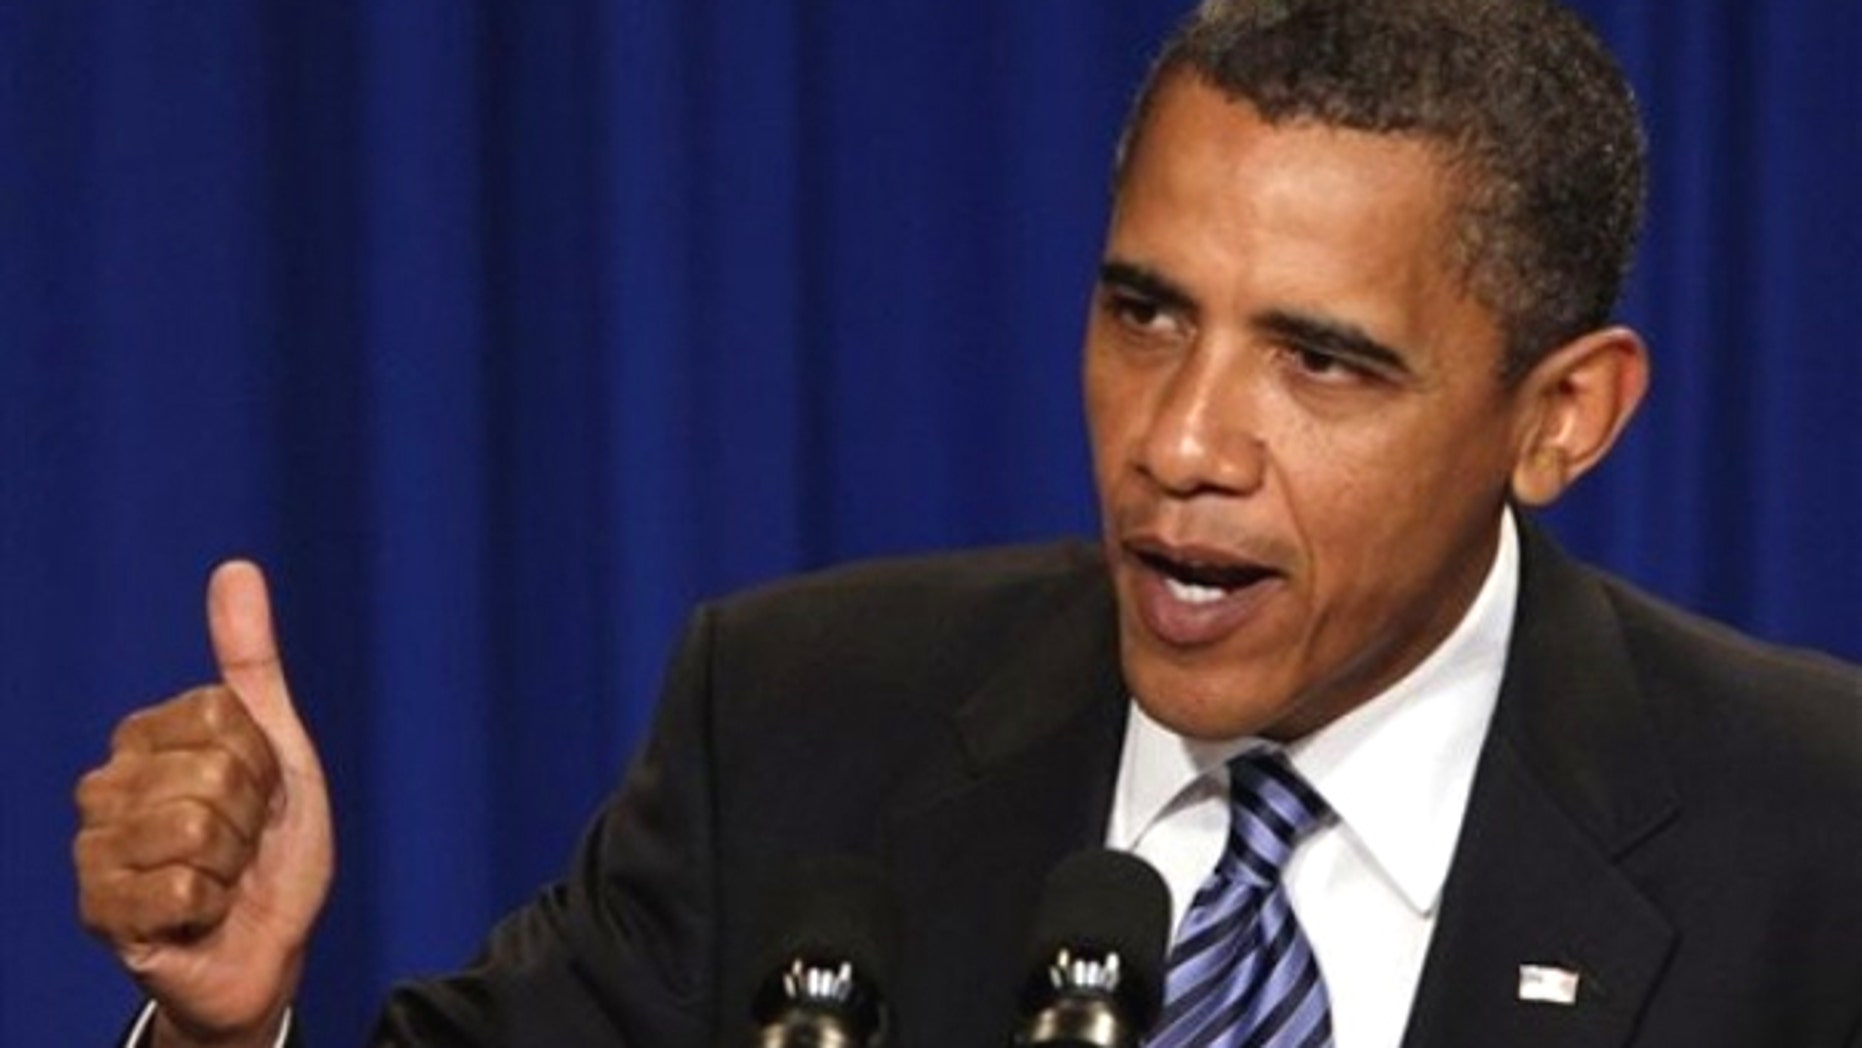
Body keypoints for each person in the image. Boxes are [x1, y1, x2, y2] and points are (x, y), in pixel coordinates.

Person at [74, 0, 1862, 1045]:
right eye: (1145, 312)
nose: (1178, 441)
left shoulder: (1811, 840)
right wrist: (231, 1031)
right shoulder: (803, 724)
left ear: (1561, 417)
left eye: (1319, 363)